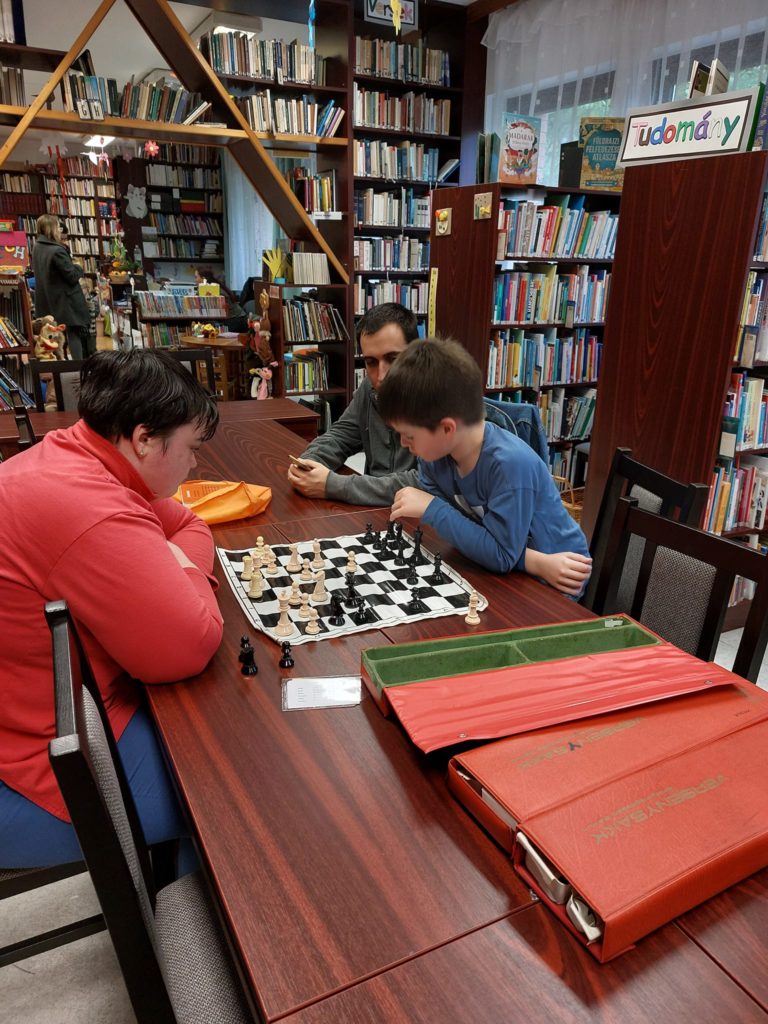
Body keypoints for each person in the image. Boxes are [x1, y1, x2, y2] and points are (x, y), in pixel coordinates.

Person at [0, 349, 222, 869]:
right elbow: (192, 644)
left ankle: (181, 882)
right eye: (191, 448)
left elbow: (188, 524)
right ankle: (192, 909)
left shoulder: (74, 454)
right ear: (143, 438)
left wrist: (171, 560)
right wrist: (185, 571)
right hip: (38, 763)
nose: (196, 464)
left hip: (41, 716)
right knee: (228, 788)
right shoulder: (90, 507)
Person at [378, 337, 592, 597]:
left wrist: (432, 508)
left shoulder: (510, 465)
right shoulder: (434, 458)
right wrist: (527, 559)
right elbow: (480, 539)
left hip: (556, 579)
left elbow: (501, 556)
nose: (403, 443)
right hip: (506, 566)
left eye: (409, 435)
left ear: (447, 429)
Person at [287, 302, 421, 506]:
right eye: (371, 362)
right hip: (373, 512)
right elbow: (340, 436)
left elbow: (423, 483)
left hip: (420, 518)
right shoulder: (369, 388)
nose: (381, 376)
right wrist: (309, 464)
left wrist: (333, 485)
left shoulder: (439, 397)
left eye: (393, 359)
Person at [32, 214, 90, 359]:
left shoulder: (37, 247)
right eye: (58, 227)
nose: (60, 230)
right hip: (65, 301)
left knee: (52, 337)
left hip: (49, 299)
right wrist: (78, 266)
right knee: (74, 333)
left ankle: (60, 366)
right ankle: (78, 367)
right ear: (51, 228)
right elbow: (72, 276)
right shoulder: (57, 251)